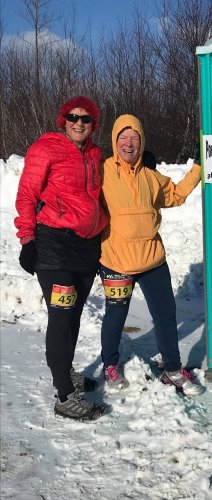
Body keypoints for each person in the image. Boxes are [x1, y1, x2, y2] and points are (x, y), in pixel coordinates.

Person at [14, 96, 109, 421]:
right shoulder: (46, 149)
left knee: (74, 315)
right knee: (61, 315)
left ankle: (66, 372)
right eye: (73, 117)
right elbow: (27, 194)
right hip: (54, 245)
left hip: (86, 247)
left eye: (86, 119)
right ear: (63, 119)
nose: (79, 123)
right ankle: (65, 396)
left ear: (93, 124)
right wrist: (28, 239)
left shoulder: (96, 153)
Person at [99, 114, 204, 396]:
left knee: (166, 314)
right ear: (115, 141)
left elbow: (177, 195)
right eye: (123, 137)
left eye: (134, 138)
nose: (129, 143)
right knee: (116, 316)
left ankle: (172, 369)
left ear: (141, 141)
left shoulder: (150, 177)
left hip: (152, 260)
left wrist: (198, 167)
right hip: (116, 261)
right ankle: (110, 365)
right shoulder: (102, 171)